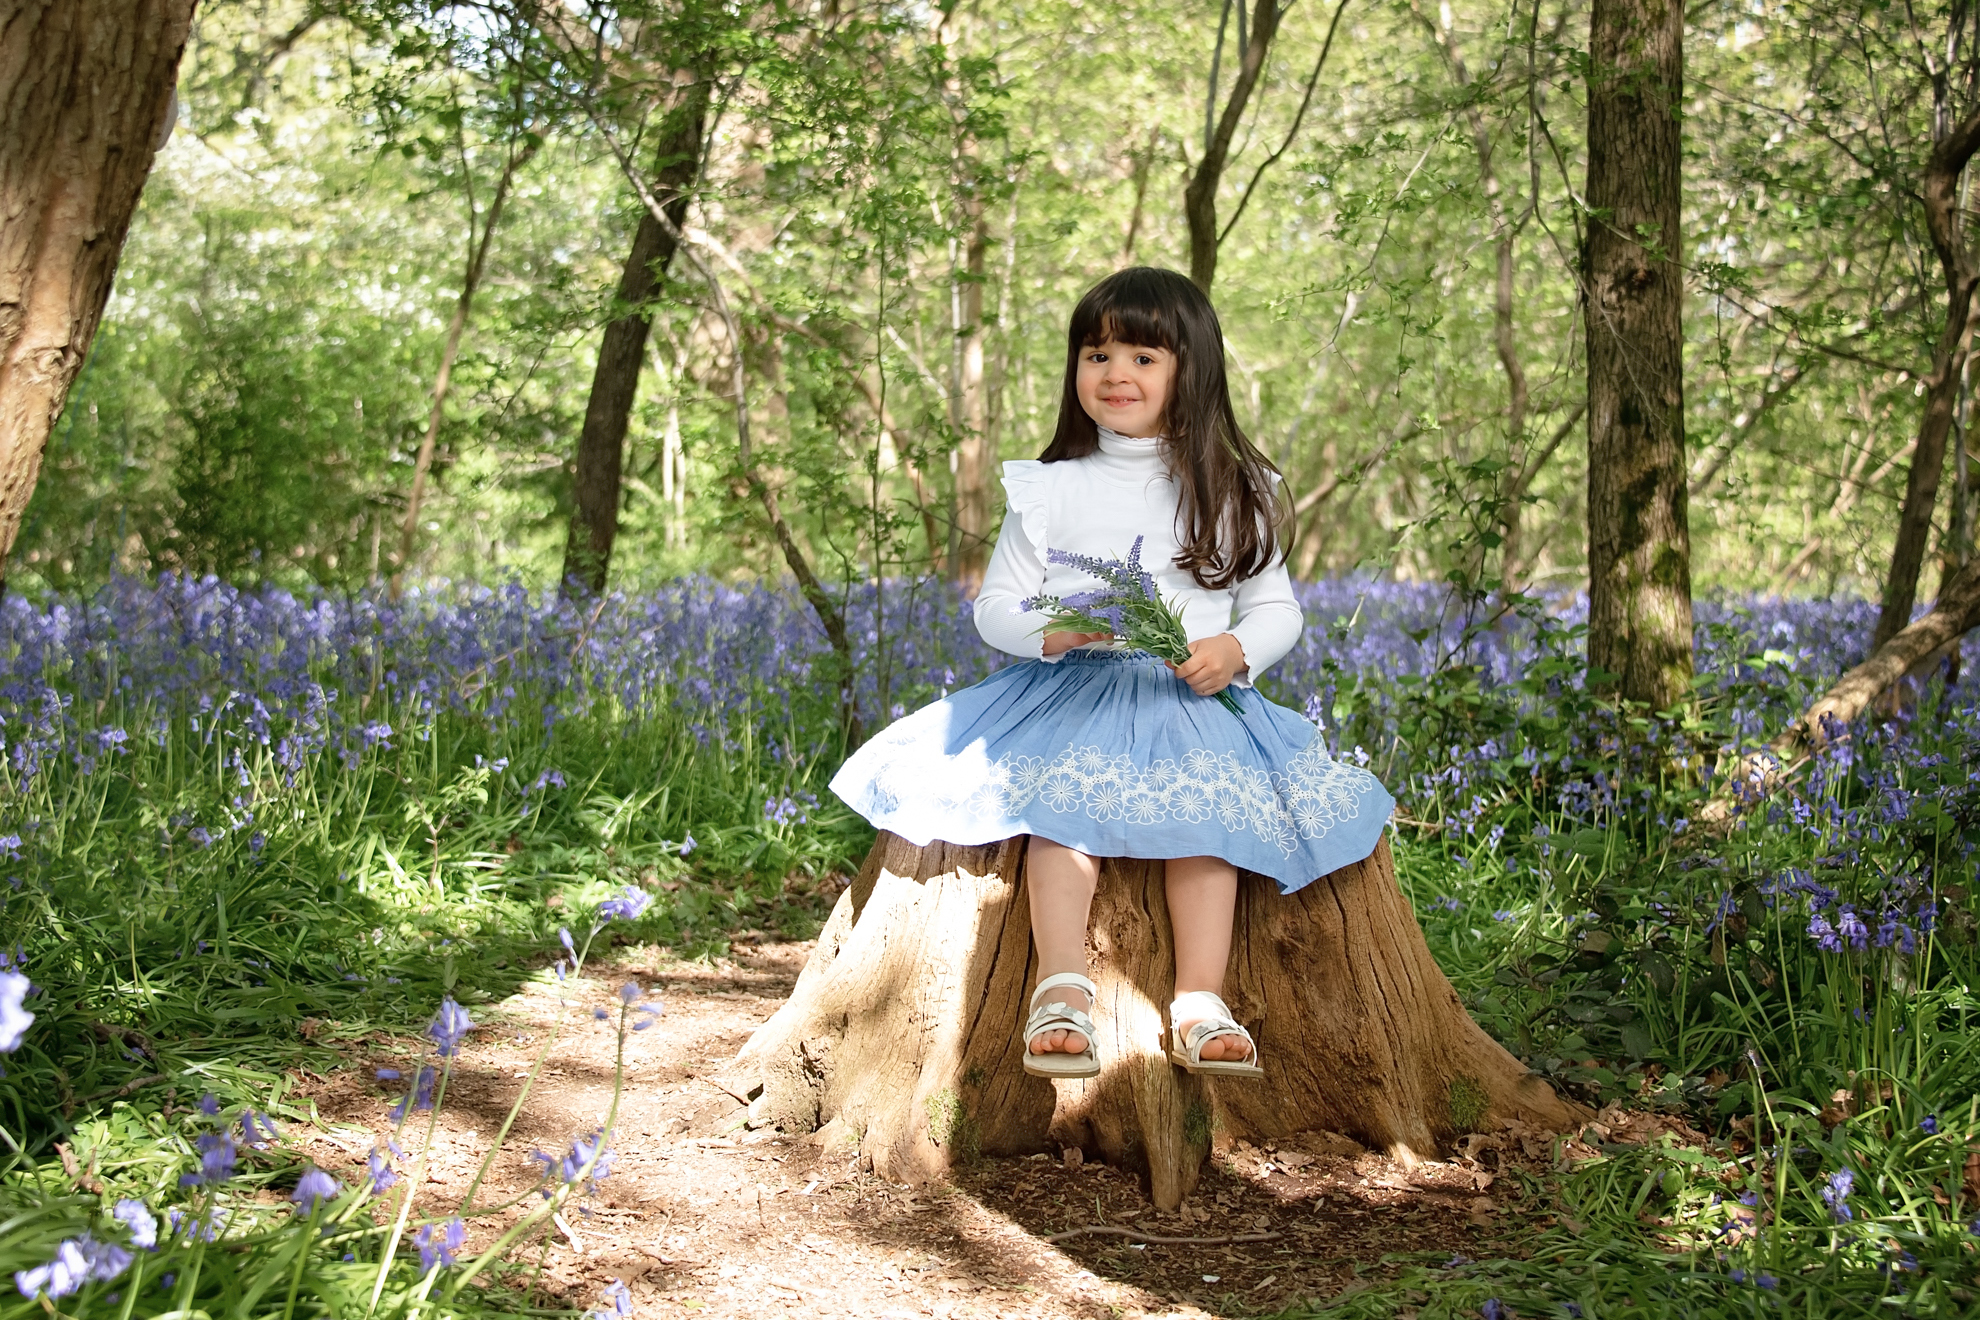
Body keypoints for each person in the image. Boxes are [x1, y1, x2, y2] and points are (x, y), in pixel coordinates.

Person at [831, 266, 1394, 1081]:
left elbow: (1277, 610)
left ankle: (1200, 1000)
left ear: (1190, 371)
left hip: (1190, 697)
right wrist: (1053, 631)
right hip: (1077, 689)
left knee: (1209, 824)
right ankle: (1062, 987)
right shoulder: (1051, 489)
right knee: (1065, 812)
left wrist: (1235, 651)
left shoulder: (1238, 489)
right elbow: (995, 607)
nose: (1115, 374)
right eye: (1097, 356)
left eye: (1142, 357)